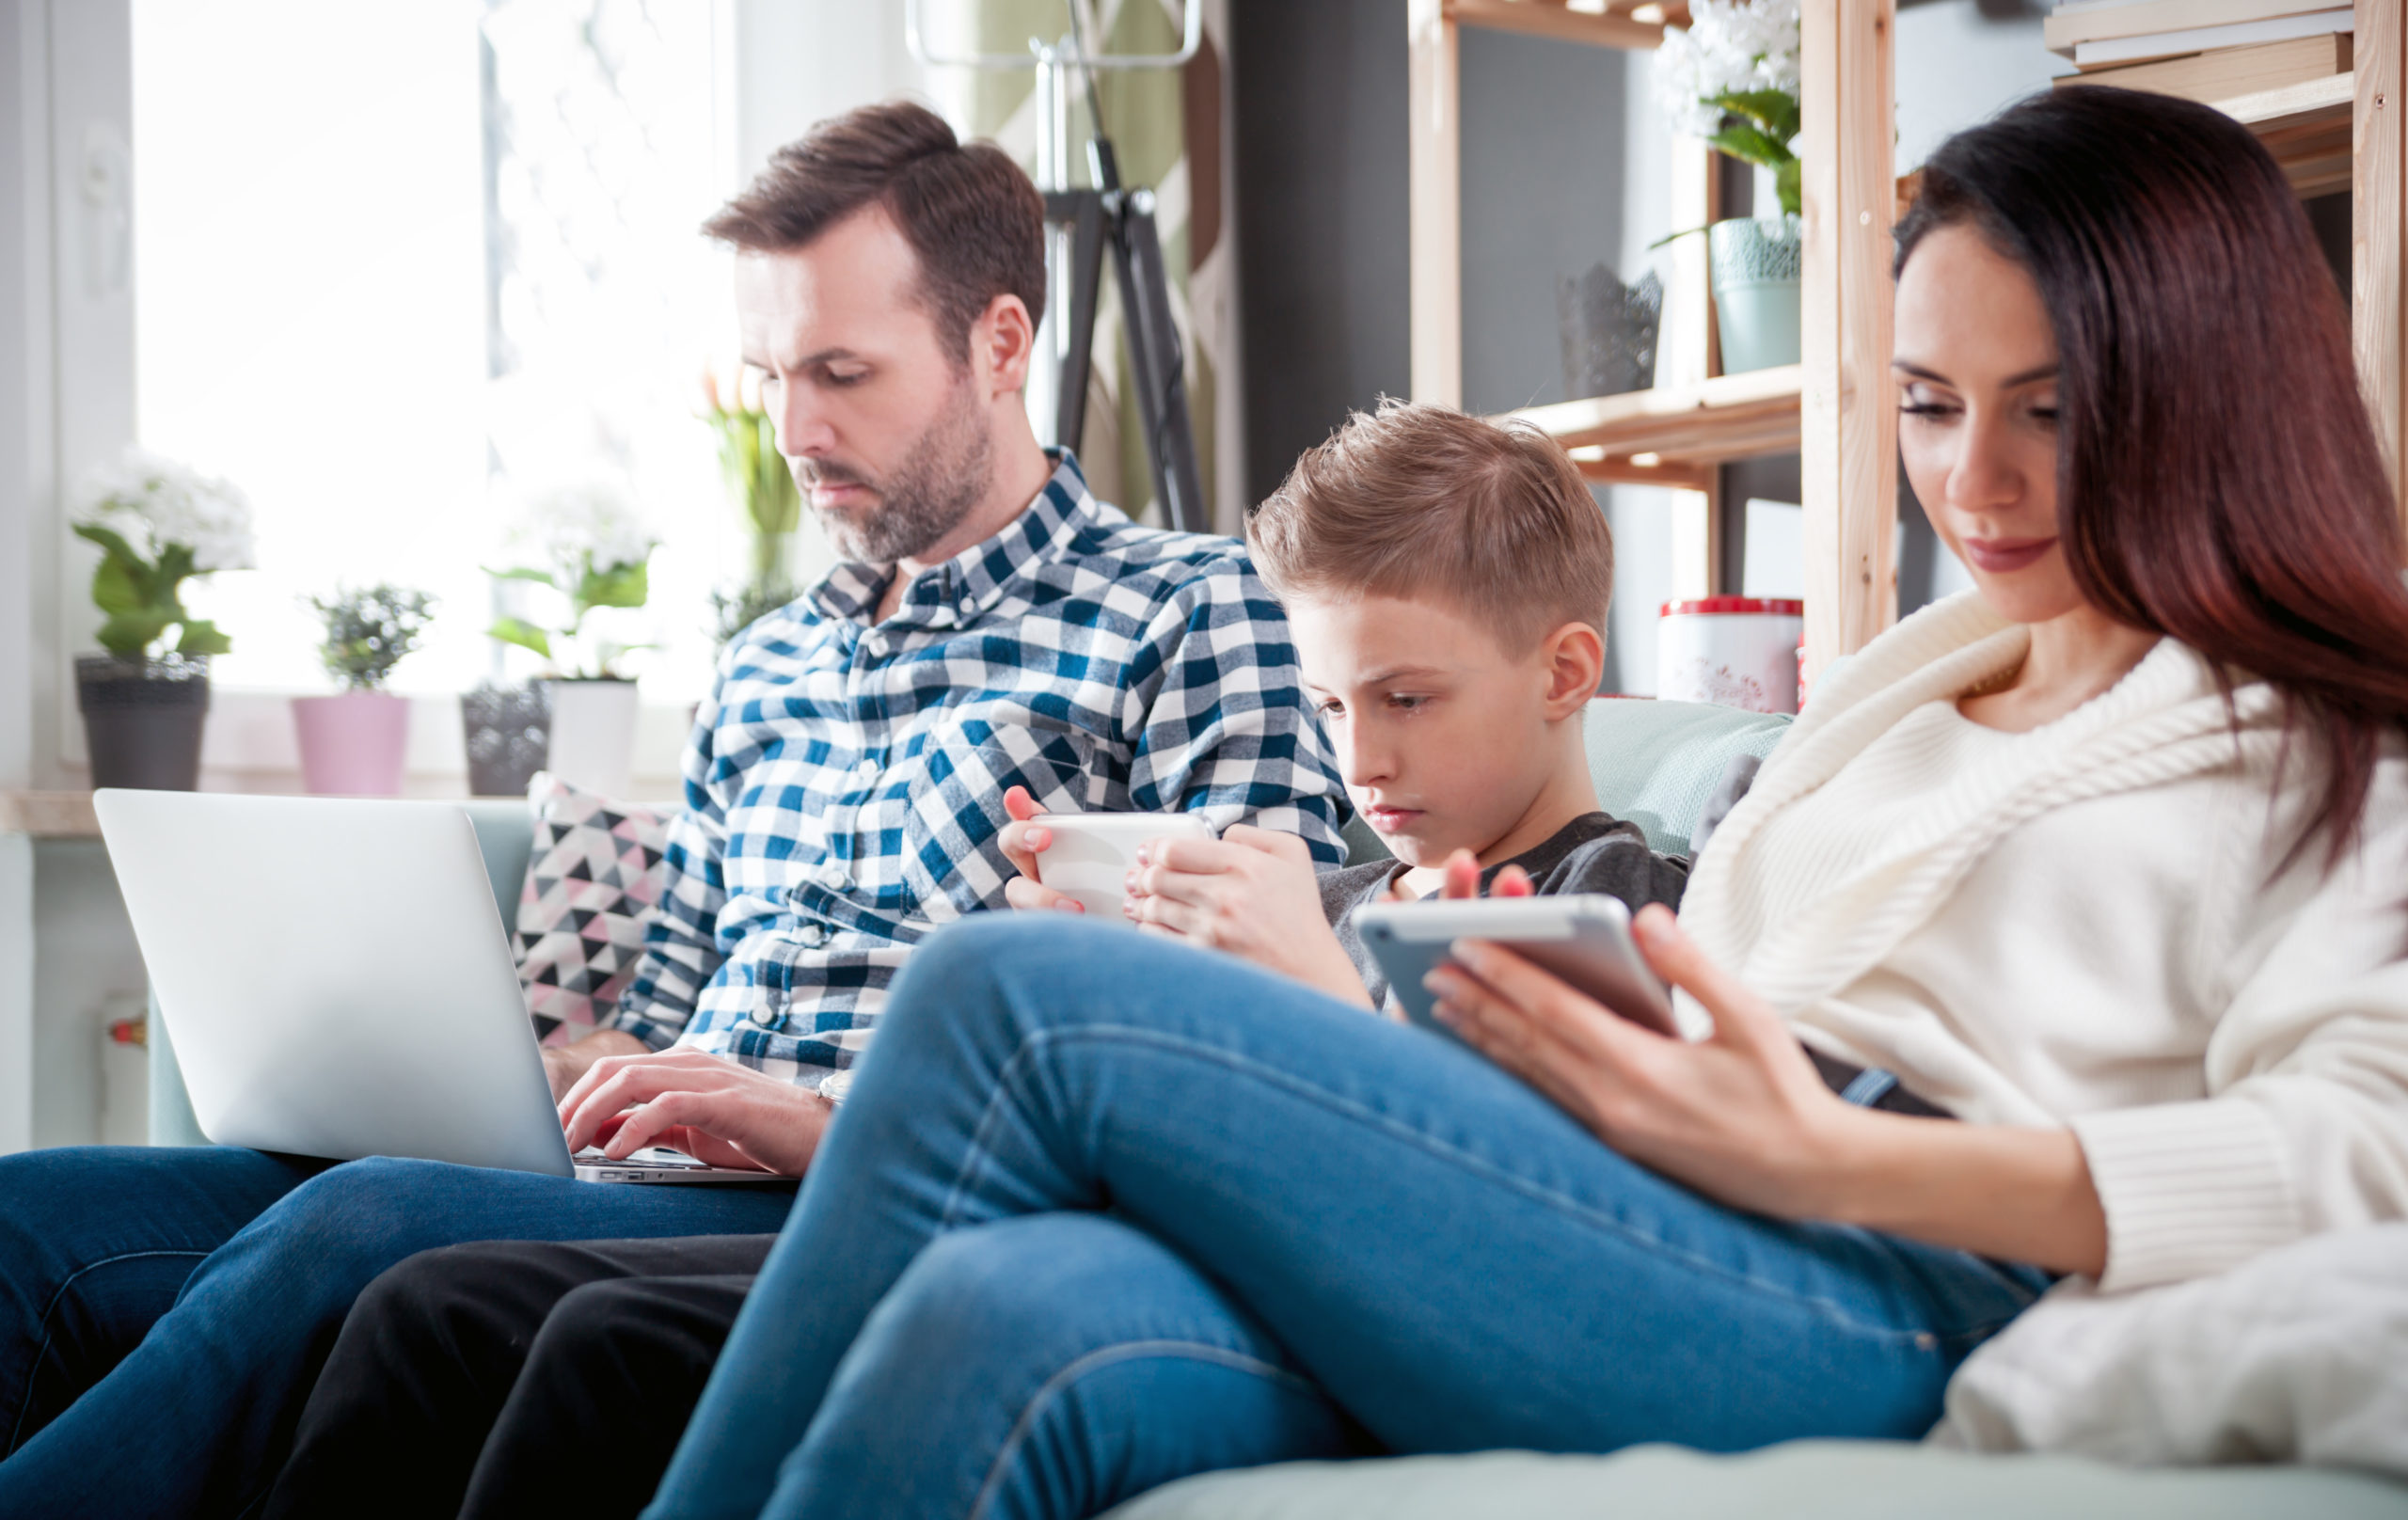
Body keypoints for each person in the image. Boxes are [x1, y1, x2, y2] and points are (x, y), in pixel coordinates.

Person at [625, 87, 2408, 1520]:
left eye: (2053, 409)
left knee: (997, 993)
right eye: (1934, 405)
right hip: (1683, 1195)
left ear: (2208, 383)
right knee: (1007, 1319)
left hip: (1898, 1261)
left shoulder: (2334, 747)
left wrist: (1835, 1154)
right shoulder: (1916, 682)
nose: (1977, 479)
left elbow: (2364, 1155)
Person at [0, 101, 1345, 1520]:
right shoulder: (762, 663)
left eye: (842, 372)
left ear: (1001, 345)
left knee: (363, 1226)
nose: (795, 429)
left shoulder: (1194, 610)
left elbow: (1251, 1045)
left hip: (853, 1184)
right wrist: (537, 1068)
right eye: (771, 374)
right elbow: (670, 1002)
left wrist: (815, 1108)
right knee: (34, 1217)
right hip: (641, 1173)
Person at [256, 400, 1708, 1520]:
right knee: (438, 1308)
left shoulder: (1611, 898)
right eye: (1329, 703)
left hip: (1241, 1311)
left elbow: (1530, 1226)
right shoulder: (1308, 881)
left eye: (1405, 698)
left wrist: (1289, 984)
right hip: (1053, 1229)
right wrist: (1027, 1022)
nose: (1360, 755)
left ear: (1566, 673)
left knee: (608, 1347)